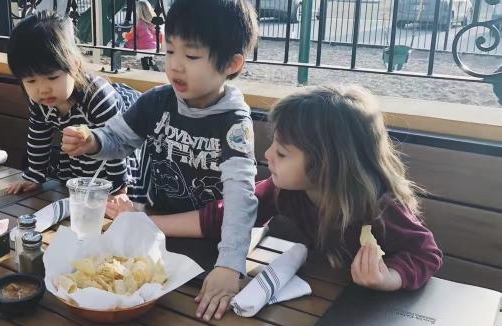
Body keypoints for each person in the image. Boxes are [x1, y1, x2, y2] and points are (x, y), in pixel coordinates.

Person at [62, 0, 260, 321]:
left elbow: (241, 196)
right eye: (170, 51)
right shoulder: (157, 101)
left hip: (210, 246)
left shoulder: (234, 124)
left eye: (192, 56)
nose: (175, 66)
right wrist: (93, 142)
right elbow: (119, 139)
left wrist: (230, 265)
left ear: (231, 63)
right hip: (151, 233)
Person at [138, 86, 444, 294]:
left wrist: (388, 278)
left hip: (370, 313)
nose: (267, 155)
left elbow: (426, 253)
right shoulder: (285, 190)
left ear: (326, 166)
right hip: (321, 291)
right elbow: (227, 216)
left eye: (282, 153)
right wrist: (145, 222)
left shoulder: (378, 207)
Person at [5, 11, 141, 196]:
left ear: (74, 65)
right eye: (31, 81)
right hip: (79, 167)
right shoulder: (39, 101)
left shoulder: (98, 96)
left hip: (119, 163)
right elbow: (38, 136)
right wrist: (34, 176)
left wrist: (118, 189)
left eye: (52, 77)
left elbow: (116, 144)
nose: (43, 89)